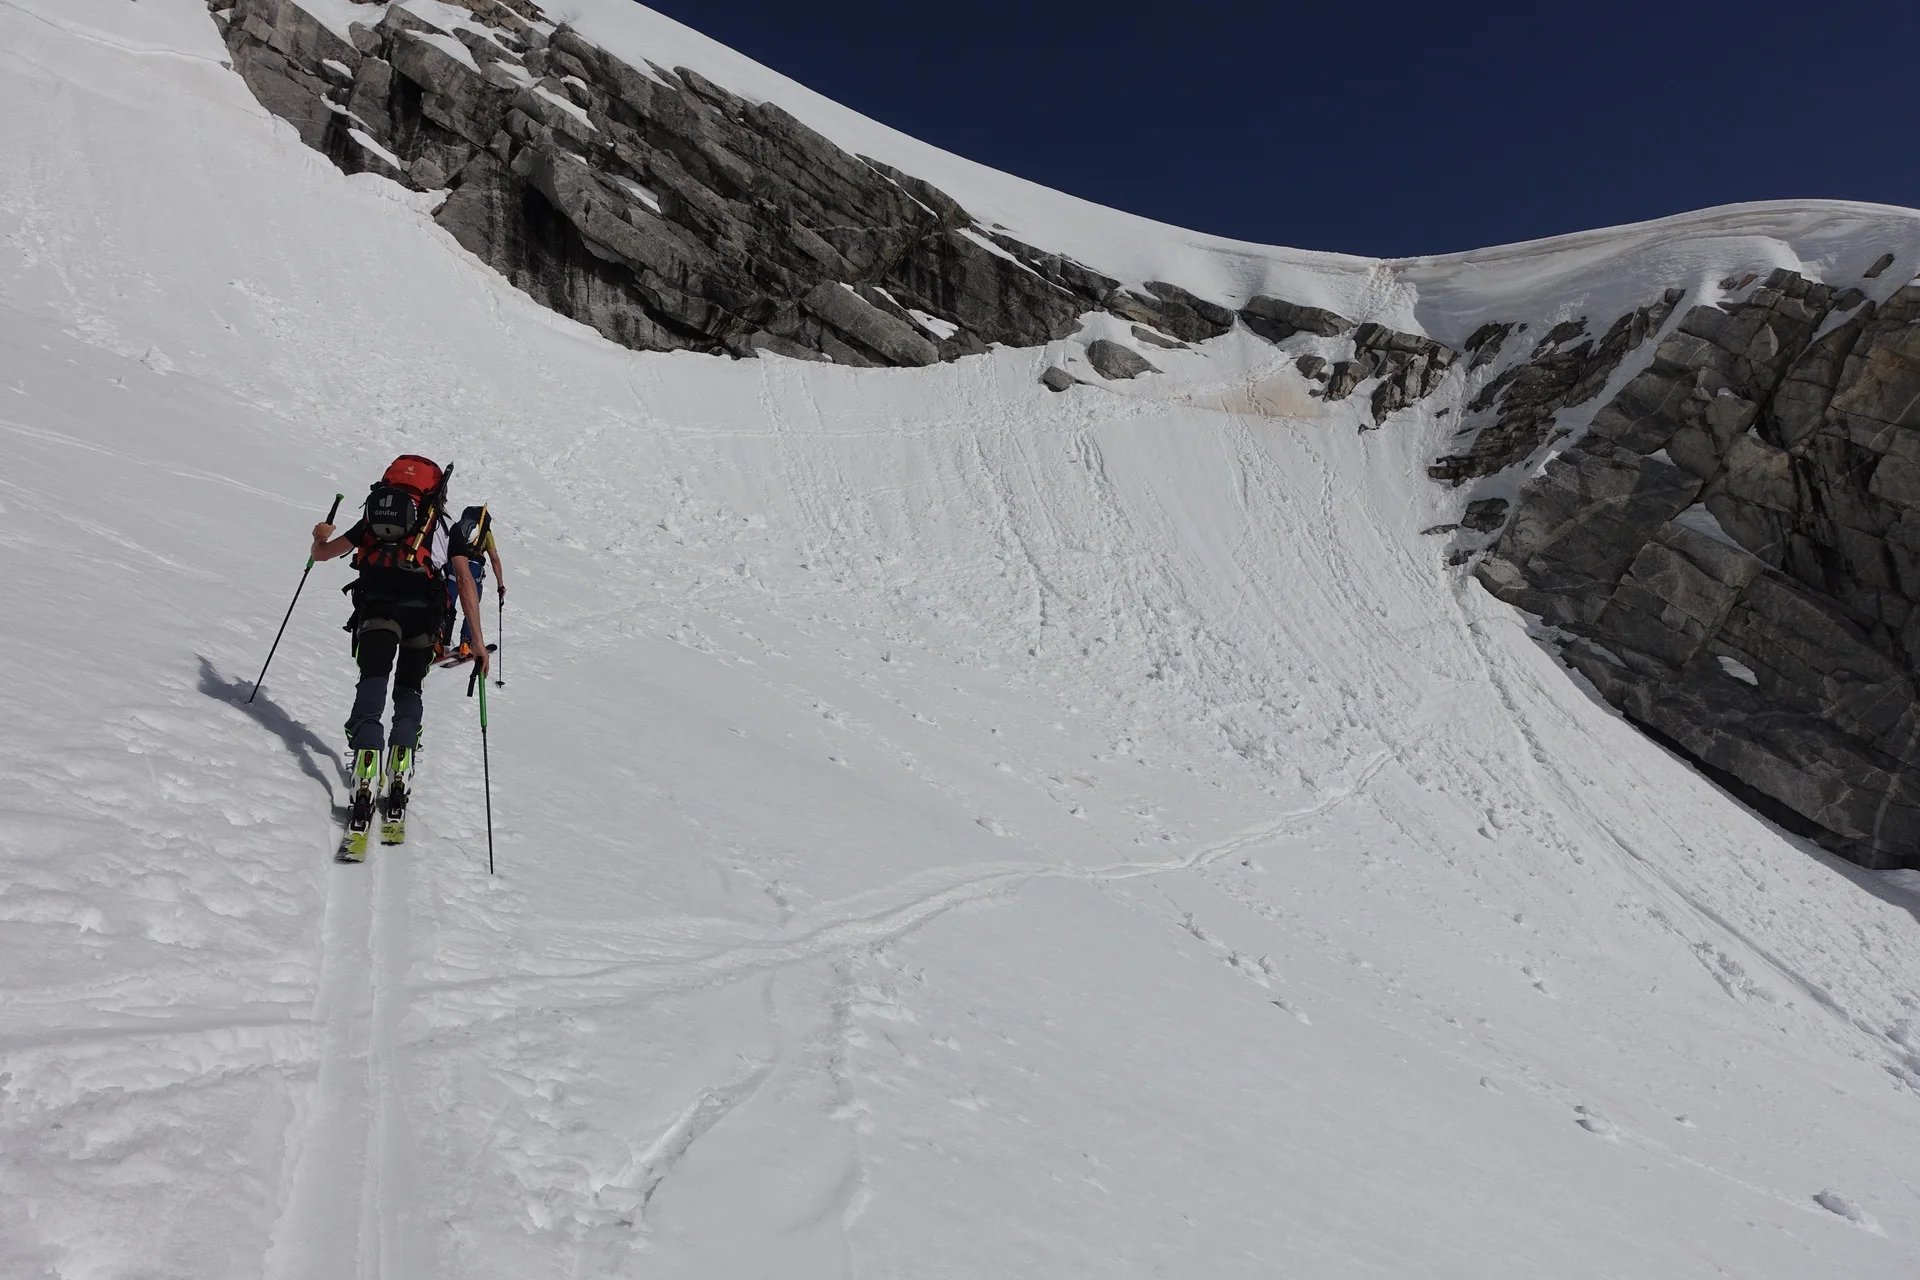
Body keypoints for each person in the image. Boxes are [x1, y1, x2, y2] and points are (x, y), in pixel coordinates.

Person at [310, 456, 488, 797]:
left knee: (373, 679)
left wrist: (319, 536)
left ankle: (366, 756)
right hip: (424, 615)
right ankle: (402, 759)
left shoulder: (372, 519)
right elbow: (464, 580)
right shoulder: (444, 527)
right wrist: (476, 642)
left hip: (375, 609)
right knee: (409, 688)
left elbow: (322, 554)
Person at [445, 505, 504, 661]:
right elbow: (494, 559)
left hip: (454, 567)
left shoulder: (459, 528)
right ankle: (466, 644)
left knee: (446, 604)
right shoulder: (486, 534)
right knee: (471, 608)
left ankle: (439, 641)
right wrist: (500, 584)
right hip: (474, 572)